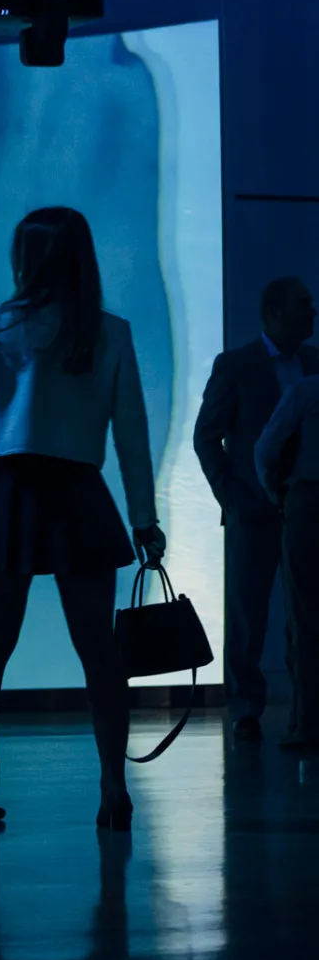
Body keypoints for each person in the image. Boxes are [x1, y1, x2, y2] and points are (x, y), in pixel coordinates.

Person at [0, 207, 164, 831]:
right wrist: (144, 518)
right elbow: (131, 436)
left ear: (25, 256)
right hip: (80, 493)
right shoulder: (110, 332)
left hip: (9, 493)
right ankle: (113, 788)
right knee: (99, 651)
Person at [193, 276, 319, 741]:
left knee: (305, 614)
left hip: (305, 510)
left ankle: (304, 712)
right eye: (303, 304)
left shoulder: (313, 363)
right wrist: (234, 497)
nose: (313, 312)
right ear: (274, 312)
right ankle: (246, 708)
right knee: (249, 612)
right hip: (255, 509)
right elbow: (207, 436)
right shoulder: (237, 365)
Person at [254, 362, 319, 752]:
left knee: (307, 619)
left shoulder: (306, 391)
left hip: (308, 504)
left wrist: (279, 495)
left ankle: (308, 725)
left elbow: (265, 449)